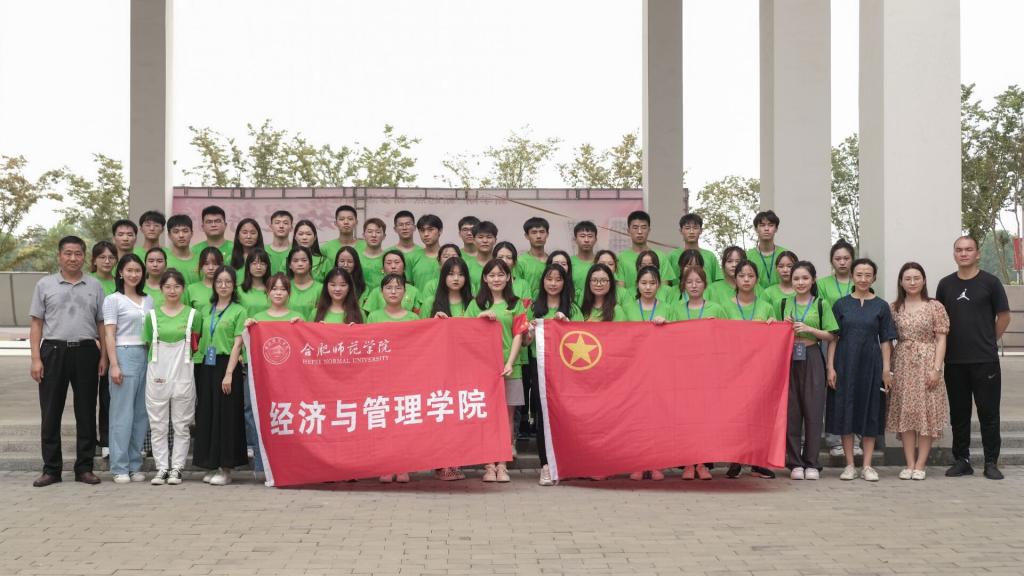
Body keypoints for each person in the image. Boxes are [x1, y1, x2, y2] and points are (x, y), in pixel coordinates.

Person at [29, 236, 107, 487]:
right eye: (68, 253)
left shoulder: (94, 285)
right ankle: (51, 469)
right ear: (59, 256)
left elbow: (101, 324)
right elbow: (36, 324)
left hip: (86, 351)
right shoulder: (44, 285)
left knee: (86, 411)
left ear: (85, 257)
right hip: (53, 351)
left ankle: (84, 468)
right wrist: (36, 359)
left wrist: (104, 356)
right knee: (51, 411)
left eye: (78, 253)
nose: (73, 258)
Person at [936, 236, 1011, 480]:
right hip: (954, 361)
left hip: (985, 361)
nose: (964, 253)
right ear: (954, 254)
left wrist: (989, 340)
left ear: (977, 253)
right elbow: (940, 321)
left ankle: (990, 462)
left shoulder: (991, 282)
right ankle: (962, 460)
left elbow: (1004, 316)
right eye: (959, 249)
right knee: (959, 415)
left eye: (969, 249)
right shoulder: (945, 285)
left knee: (988, 414)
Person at [826, 258, 897, 482]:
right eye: (859, 274)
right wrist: (830, 367)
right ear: (852, 277)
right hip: (845, 363)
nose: (863, 279)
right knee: (846, 411)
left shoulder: (881, 306)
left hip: (871, 365)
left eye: (868, 275)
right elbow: (833, 338)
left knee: (870, 411)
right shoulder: (841, 304)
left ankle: (867, 465)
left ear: (874, 277)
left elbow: (885, 340)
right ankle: (849, 465)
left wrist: (886, 369)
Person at [465, 260, 526, 483]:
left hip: (511, 368)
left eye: (501, 275)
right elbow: (466, 332)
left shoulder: (516, 304)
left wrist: (510, 362)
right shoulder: (476, 304)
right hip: (484, 369)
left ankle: (502, 464)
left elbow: (519, 334)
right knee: (488, 416)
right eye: (492, 275)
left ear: (508, 277)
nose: (496, 279)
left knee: (507, 418)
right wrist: (481, 317)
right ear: (484, 278)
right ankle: (489, 464)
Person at [889, 262, 950, 481]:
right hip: (903, 364)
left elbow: (941, 339)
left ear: (924, 281)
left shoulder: (935, 306)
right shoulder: (894, 307)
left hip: (927, 363)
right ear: (901, 282)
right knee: (907, 413)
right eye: (908, 278)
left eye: (917, 278)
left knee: (926, 414)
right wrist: (889, 369)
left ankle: (921, 465)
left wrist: (936, 369)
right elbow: (888, 339)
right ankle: (909, 464)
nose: (912, 282)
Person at [779, 261, 837, 481]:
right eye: (796, 278)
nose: (800, 282)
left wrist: (809, 329)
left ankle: (812, 462)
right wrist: (780, 325)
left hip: (812, 356)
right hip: (789, 358)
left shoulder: (821, 304)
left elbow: (832, 335)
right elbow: (773, 330)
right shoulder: (783, 303)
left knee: (813, 411)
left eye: (805, 278)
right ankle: (795, 462)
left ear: (813, 280)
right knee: (791, 412)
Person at [526, 263, 582, 486]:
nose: (553, 283)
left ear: (564, 283)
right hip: (539, 367)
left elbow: (582, 337)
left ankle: (566, 462)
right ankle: (546, 465)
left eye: (558, 279)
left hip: (566, 369)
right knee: (543, 415)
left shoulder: (573, 309)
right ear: (543, 282)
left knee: (566, 414)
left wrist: (567, 325)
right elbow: (526, 342)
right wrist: (530, 332)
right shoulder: (533, 308)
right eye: (549, 279)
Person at [142, 269, 199, 486]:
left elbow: (196, 344)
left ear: (183, 289)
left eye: (176, 286)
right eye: (167, 286)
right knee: (158, 424)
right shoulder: (152, 316)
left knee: (181, 424)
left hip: (183, 373)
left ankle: (177, 468)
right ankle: (161, 468)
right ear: (161, 289)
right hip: (158, 373)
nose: (172, 290)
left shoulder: (194, 315)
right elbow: (148, 341)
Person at [193, 265, 248, 486]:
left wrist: (229, 374)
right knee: (208, 414)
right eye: (219, 282)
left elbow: (237, 344)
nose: (223, 286)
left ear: (234, 285)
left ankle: (226, 468)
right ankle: (211, 464)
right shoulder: (206, 310)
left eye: (228, 282)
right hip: (207, 364)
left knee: (227, 416)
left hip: (227, 365)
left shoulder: (239, 311)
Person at [722, 260, 777, 480]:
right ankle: (735, 459)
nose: (746, 280)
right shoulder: (724, 306)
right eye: (742, 276)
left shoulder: (766, 307)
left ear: (757, 279)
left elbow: (775, 339)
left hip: (759, 369)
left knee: (757, 413)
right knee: (735, 414)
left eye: (750, 276)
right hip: (733, 369)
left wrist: (774, 325)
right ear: (735, 279)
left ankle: (757, 462)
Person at [668, 265, 722, 482]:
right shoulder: (675, 309)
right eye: (689, 282)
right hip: (683, 371)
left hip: (708, 371)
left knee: (705, 418)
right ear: (683, 285)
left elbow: (729, 333)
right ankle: (688, 463)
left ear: (705, 284)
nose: (694, 285)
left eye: (698, 281)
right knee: (686, 418)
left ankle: (702, 463)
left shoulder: (716, 308)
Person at [102, 253, 153, 483]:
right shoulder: (113, 300)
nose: (134, 274)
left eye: (138, 270)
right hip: (123, 354)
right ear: (120, 273)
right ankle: (119, 467)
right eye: (129, 270)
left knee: (141, 415)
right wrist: (114, 364)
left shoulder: (149, 300)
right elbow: (109, 334)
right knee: (122, 415)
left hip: (145, 355)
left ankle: (135, 464)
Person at [366, 274, 420, 483]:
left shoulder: (413, 318)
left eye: (398, 288)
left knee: (403, 421)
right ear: (381, 292)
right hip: (381, 376)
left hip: (406, 376)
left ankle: (403, 466)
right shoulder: (374, 316)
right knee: (384, 421)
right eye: (388, 288)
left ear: (405, 292)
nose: (393, 291)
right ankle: (386, 466)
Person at [623, 266, 669, 482]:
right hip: (634, 369)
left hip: (660, 369)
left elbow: (678, 335)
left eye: (652, 283)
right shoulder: (627, 308)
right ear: (637, 285)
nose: (648, 287)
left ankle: (656, 463)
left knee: (657, 417)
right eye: (644, 283)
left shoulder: (668, 308)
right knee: (636, 417)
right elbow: (620, 336)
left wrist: (666, 326)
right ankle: (637, 463)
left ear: (658, 285)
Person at [816, 239, 860, 458]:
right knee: (832, 387)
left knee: (855, 388)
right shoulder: (822, 284)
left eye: (846, 258)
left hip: (856, 340)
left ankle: (855, 438)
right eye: (838, 258)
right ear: (832, 261)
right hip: (831, 338)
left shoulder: (860, 280)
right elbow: (820, 310)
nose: (842, 262)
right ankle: (834, 440)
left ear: (852, 259)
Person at [89, 242, 117, 458]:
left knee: (110, 395)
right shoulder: (88, 282)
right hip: (93, 345)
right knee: (91, 396)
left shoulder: (121, 281)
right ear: (94, 260)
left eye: (111, 257)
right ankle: (96, 440)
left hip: (115, 345)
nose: (107, 261)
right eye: (102, 257)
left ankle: (110, 439)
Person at [617, 210, 674, 293]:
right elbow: (621, 291)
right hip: (630, 301)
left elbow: (665, 289)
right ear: (628, 231)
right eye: (635, 228)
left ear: (649, 230)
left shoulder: (661, 256)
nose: (639, 232)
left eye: (643, 227)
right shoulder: (621, 258)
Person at [668, 213, 722, 285]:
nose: (691, 232)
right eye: (687, 228)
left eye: (695, 228)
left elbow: (718, 283)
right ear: (681, 231)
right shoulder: (672, 256)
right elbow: (666, 283)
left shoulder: (710, 256)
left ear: (701, 230)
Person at [746, 210, 787, 290]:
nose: (766, 229)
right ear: (756, 229)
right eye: (762, 225)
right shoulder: (747, 256)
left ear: (776, 229)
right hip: (756, 297)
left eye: (771, 225)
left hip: (780, 297)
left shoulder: (785, 255)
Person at [418, 244, 464, 314]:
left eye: (454, 256)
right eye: (446, 256)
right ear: (439, 262)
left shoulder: (468, 287)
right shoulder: (430, 286)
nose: (450, 259)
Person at [285, 246, 323, 320]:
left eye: (304, 260)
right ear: (289, 265)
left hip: (311, 327)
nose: (300, 264)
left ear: (310, 264)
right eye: (295, 261)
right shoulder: (285, 287)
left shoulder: (320, 288)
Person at [184, 246, 224, 314]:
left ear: (221, 265)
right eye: (206, 264)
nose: (211, 268)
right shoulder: (191, 289)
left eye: (215, 264)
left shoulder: (226, 288)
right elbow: (186, 314)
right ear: (200, 266)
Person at [386, 210, 424, 280]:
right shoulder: (388, 253)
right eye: (401, 225)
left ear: (414, 227)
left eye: (408, 224)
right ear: (395, 229)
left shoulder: (422, 253)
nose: (404, 228)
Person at [517, 217, 550, 297]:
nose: (538, 236)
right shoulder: (520, 261)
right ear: (526, 236)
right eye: (534, 232)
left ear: (547, 234)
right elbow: (517, 289)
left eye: (542, 232)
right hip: (528, 304)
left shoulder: (553, 260)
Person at [410, 214, 444, 289]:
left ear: (440, 231)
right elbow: (408, 285)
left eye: (430, 229)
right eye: (422, 230)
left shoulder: (449, 256)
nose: (426, 234)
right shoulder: (413, 257)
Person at [165, 214, 200, 285]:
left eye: (185, 231)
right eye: (176, 232)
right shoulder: (164, 260)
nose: (181, 235)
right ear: (169, 235)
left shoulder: (200, 260)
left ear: (192, 233)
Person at [238, 249, 271, 318]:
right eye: (254, 263)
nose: (258, 267)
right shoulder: (239, 290)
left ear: (267, 266)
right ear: (248, 266)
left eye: (262, 264)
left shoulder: (273, 290)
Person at [466, 221, 498, 293]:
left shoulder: (501, 265)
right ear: (473, 240)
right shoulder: (467, 266)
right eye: (480, 237)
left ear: (495, 240)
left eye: (489, 237)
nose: (485, 241)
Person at [765, 250, 798, 316]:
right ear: (776, 269)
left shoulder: (803, 291)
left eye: (789, 266)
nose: (785, 270)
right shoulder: (768, 293)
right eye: (781, 266)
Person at [359, 218, 388, 291]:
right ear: (363, 235)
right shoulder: (356, 258)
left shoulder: (388, 259)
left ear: (384, 236)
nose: (374, 235)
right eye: (370, 232)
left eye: (378, 232)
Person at [570, 220, 598, 294]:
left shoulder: (601, 262)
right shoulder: (568, 263)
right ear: (575, 239)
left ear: (595, 239)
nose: (586, 240)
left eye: (590, 236)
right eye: (582, 236)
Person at [265, 210, 294, 275]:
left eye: (285, 223)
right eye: (277, 223)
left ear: (291, 228)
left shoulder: (296, 251)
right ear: (271, 227)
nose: (281, 226)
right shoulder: (262, 250)